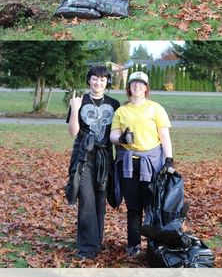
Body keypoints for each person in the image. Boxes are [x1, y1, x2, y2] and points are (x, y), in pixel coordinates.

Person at [110, 71, 174, 259]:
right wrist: (121, 138)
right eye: (133, 83)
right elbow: (113, 135)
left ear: (146, 88)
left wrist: (169, 160)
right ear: (128, 87)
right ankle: (133, 246)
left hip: (152, 163)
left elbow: (164, 137)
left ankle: (154, 246)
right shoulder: (121, 111)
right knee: (133, 207)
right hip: (128, 164)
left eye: (141, 84)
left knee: (152, 207)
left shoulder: (155, 108)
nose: (137, 86)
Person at [66, 65, 120, 259]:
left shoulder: (114, 104)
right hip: (83, 156)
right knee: (86, 199)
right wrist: (74, 110)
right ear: (89, 80)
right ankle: (87, 248)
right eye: (95, 78)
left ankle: (97, 242)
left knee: (100, 199)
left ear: (107, 82)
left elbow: (116, 132)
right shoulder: (80, 101)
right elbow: (73, 132)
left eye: (103, 79)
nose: (98, 82)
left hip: (105, 157)